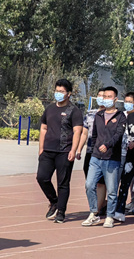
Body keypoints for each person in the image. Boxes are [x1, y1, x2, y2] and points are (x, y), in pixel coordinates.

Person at [37, 79, 83, 224]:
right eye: (57, 91)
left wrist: (73, 150)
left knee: (63, 183)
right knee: (42, 177)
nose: (58, 94)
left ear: (68, 94)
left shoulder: (74, 111)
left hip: (65, 151)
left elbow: (78, 132)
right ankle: (54, 201)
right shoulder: (49, 108)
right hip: (48, 150)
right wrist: (41, 149)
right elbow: (43, 128)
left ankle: (61, 212)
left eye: (62, 91)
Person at [82, 86, 126, 228]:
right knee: (89, 185)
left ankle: (109, 216)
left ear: (115, 99)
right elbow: (93, 135)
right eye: (104, 96)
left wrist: (107, 145)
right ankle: (94, 213)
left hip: (112, 159)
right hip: (96, 157)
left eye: (109, 97)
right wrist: (95, 148)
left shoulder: (120, 116)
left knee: (112, 190)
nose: (106, 99)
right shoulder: (99, 115)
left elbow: (118, 135)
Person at [77, 88, 107, 214]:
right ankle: (97, 204)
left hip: (104, 154)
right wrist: (79, 149)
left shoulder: (113, 114)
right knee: (90, 182)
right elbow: (84, 133)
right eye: (99, 95)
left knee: (101, 183)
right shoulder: (90, 114)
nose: (101, 98)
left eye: (104, 96)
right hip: (90, 151)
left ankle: (96, 210)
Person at [114, 92, 134, 222]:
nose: (128, 104)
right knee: (123, 182)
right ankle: (119, 209)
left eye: (131, 101)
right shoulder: (121, 116)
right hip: (122, 154)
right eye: (126, 101)